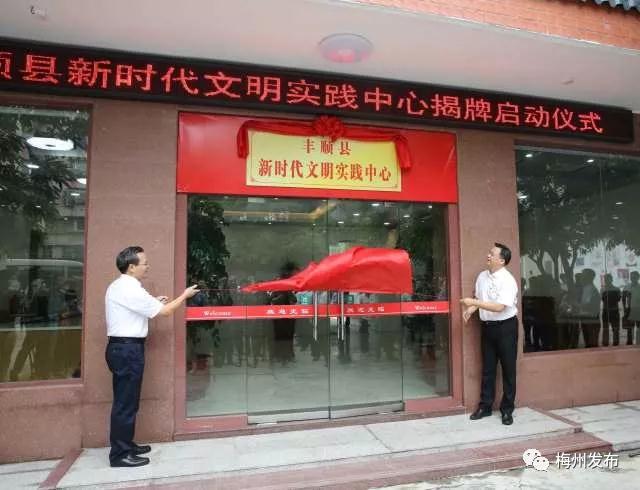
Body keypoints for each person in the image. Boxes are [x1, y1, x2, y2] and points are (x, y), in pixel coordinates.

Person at [105, 246, 198, 468]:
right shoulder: (129, 289)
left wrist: (155, 301)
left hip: (124, 349)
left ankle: (126, 445)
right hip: (127, 350)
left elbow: (144, 308)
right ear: (131, 267)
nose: (147, 266)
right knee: (125, 403)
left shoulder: (123, 286)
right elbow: (165, 312)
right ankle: (119, 454)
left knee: (129, 400)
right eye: (144, 263)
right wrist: (184, 296)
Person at [461, 243, 519, 426]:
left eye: (492, 254)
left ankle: (507, 410)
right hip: (487, 327)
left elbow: (500, 306)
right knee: (488, 369)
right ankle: (485, 406)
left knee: (508, 370)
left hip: (506, 327)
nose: (488, 255)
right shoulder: (482, 276)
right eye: (489, 253)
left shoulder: (508, 280)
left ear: (501, 260)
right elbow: (480, 299)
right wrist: (471, 309)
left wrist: (473, 303)